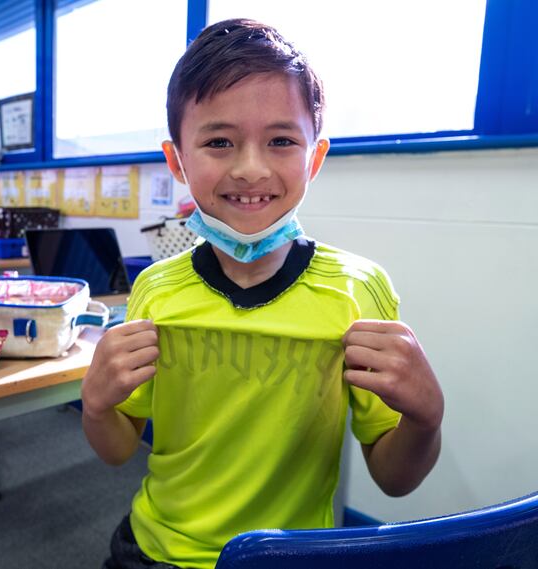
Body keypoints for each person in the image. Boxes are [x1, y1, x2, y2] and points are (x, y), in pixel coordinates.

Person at [81, 19, 444, 569]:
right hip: (155, 551)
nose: (251, 168)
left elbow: (395, 481)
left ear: (313, 159)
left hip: (293, 557)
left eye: (281, 141)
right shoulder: (155, 288)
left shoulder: (356, 290)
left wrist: (426, 420)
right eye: (219, 141)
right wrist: (95, 405)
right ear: (177, 159)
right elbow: (117, 449)